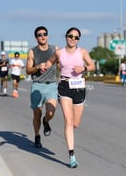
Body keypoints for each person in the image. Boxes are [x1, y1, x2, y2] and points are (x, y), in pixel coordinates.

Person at [42, 27, 95, 168]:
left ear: (79, 40)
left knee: (76, 123)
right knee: (68, 121)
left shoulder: (82, 52)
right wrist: (43, 67)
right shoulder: (59, 52)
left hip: (78, 88)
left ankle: (47, 122)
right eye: (70, 36)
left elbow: (92, 65)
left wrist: (83, 68)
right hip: (64, 86)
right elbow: (49, 62)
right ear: (66, 37)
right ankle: (72, 155)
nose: (73, 39)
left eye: (76, 37)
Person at [26, 26, 58, 149]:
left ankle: (46, 121)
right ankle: (37, 135)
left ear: (47, 36)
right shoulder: (32, 52)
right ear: (36, 38)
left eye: (45, 34)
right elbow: (28, 71)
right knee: (37, 114)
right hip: (37, 85)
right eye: (40, 35)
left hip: (51, 85)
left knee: (50, 112)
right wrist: (37, 67)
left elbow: (61, 64)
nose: (42, 36)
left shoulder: (55, 49)